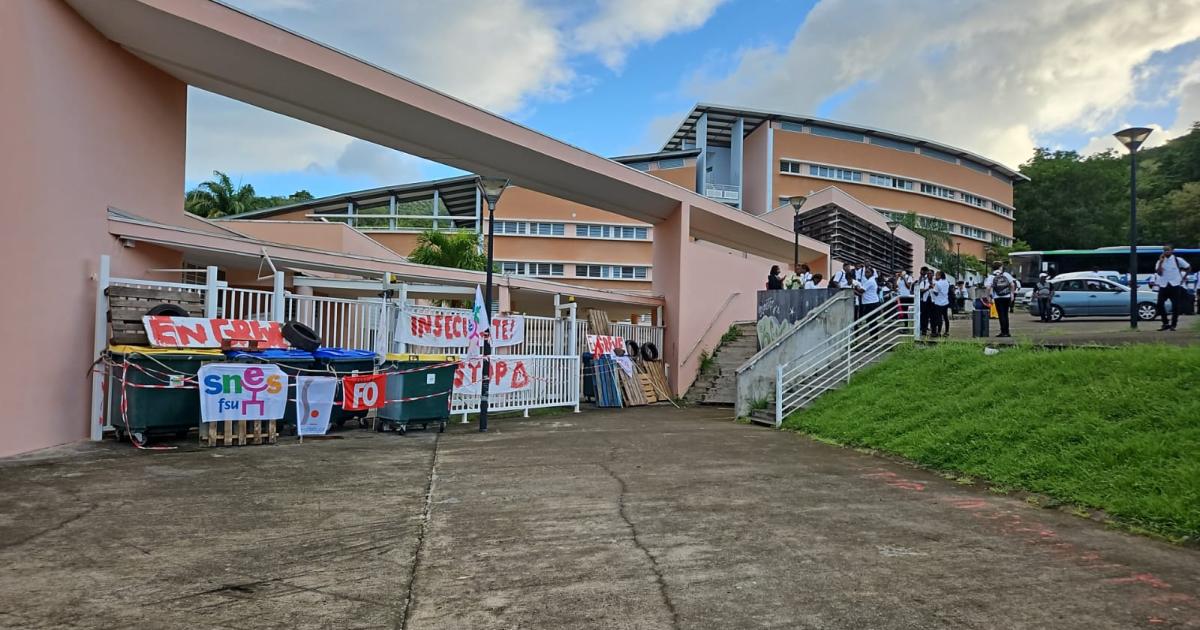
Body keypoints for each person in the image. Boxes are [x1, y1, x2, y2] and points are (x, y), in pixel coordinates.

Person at [1155, 244, 1191, 331]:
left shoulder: (1177, 260)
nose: (1166, 251)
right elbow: (1159, 273)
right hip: (1164, 285)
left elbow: (1188, 267)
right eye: (1165, 250)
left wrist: (1184, 277)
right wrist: (1160, 262)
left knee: (1175, 306)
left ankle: (1173, 325)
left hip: (1175, 285)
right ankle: (1165, 323)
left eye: (1168, 250)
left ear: (1172, 251)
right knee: (1159, 304)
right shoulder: (1160, 261)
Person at [984, 261, 1017, 338]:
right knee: (1005, 314)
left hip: (997, 297)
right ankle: (1007, 332)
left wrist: (988, 297)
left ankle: (1003, 332)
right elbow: (1012, 284)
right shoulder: (1006, 274)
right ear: (1000, 267)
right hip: (1007, 296)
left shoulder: (991, 276)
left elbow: (988, 287)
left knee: (1001, 315)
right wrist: (1012, 294)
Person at [931, 271, 951, 337]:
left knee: (939, 318)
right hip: (945, 302)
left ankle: (939, 332)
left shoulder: (938, 283)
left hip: (938, 303)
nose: (935, 276)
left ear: (939, 275)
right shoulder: (946, 282)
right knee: (945, 317)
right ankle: (947, 331)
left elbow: (936, 293)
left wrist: (933, 287)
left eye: (936, 275)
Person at [917, 267, 934, 337]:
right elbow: (920, 290)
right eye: (928, 273)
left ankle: (933, 331)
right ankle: (924, 330)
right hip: (925, 300)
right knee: (924, 316)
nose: (929, 275)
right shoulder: (924, 281)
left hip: (933, 300)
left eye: (931, 274)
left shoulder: (935, 282)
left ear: (933, 274)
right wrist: (928, 288)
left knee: (933, 316)